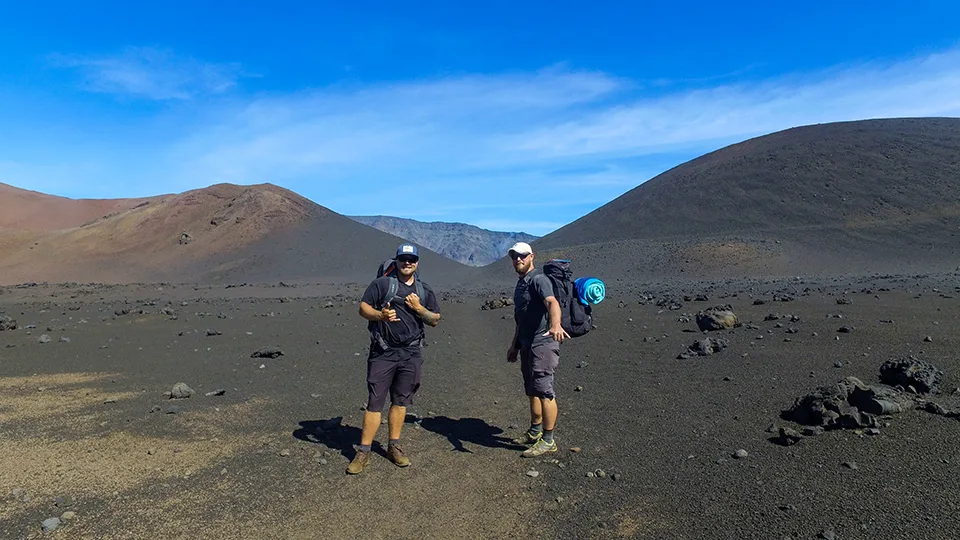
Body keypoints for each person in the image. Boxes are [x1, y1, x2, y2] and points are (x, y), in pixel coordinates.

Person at [347, 243, 441, 475]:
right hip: (384, 352)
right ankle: (364, 451)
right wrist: (380, 315)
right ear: (397, 261)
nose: (407, 262)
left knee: (400, 401)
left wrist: (419, 309)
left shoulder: (423, 290)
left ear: (417, 262)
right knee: (375, 402)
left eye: (411, 259)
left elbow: (435, 319)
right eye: (403, 259)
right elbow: (362, 308)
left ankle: (394, 446)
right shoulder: (381, 285)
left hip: (411, 354)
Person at [506, 241, 570, 457]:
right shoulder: (521, 284)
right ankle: (534, 432)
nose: (518, 259)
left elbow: (552, 302)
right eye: (514, 256)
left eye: (522, 255)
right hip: (526, 343)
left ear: (532, 256)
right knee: (532, 389)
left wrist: (555, 325)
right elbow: (520, 318)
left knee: (544, 391)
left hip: (543, 341)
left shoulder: (539, 280)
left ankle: (548, 440)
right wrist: (514, 345)